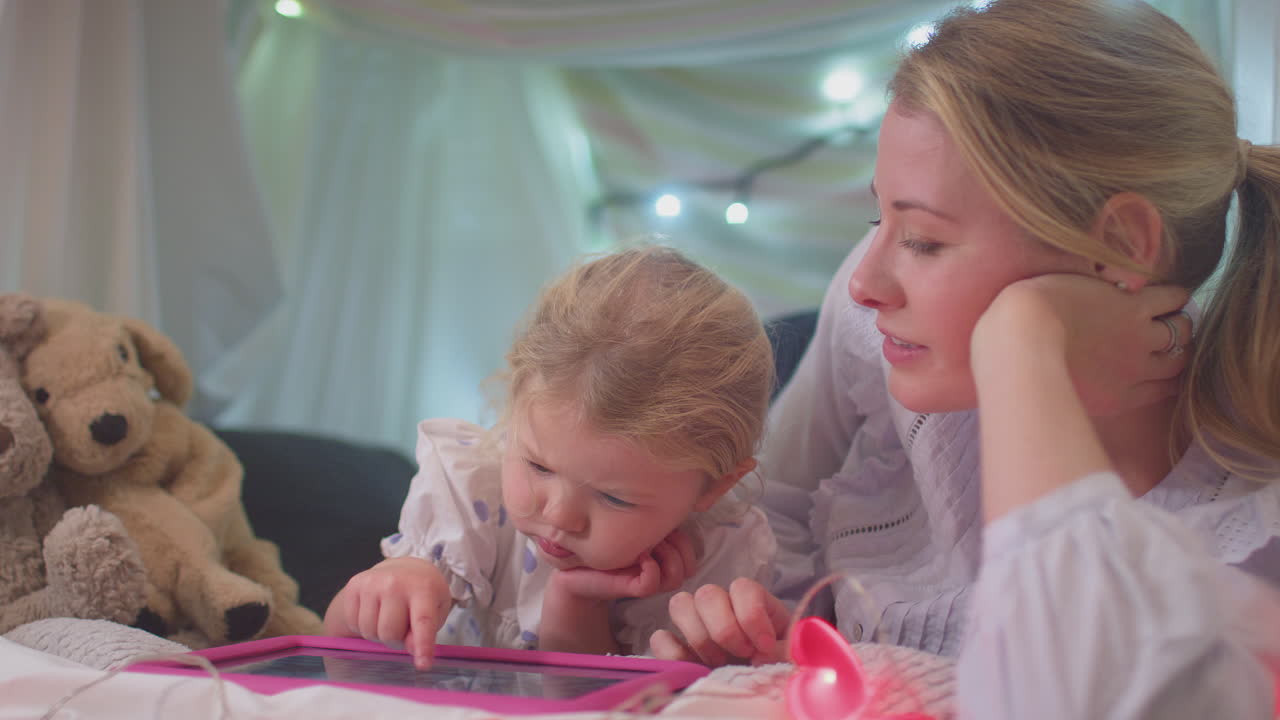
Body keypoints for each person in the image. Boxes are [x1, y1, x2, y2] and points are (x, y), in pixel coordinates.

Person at [650, 0, 1280, 715]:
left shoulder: (1245, 535)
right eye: (876, 217)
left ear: (1125, 246)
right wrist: (772, 631)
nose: (864, 282)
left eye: (923, 240)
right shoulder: (879, 334)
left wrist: (1024, 341)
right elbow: (771, 508)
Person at [323, 245, 777, 668]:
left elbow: (581, 706)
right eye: (539, 466)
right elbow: (335, 665)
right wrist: (379, 591)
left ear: (715, 486)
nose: (560, 516)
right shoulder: (469, 493)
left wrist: (574, 600)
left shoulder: (715, 566)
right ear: (516, 403)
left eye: (614, 498)